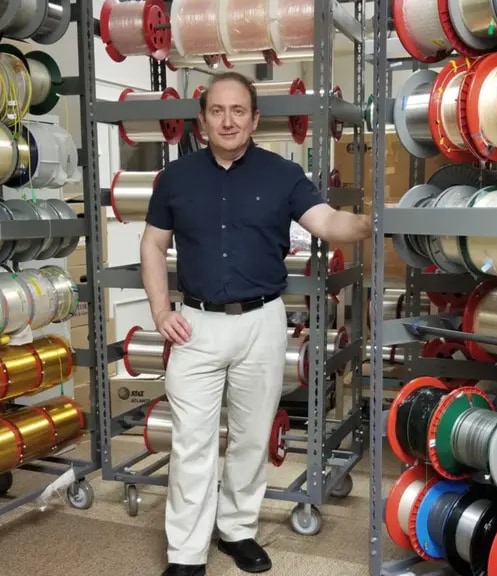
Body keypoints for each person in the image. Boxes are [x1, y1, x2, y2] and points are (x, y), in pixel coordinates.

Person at [139, 71, 371, 576]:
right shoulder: (174, 180)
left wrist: (367, 224)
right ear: (202, 121)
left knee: (249, 436)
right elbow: (153, 245)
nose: (228, 120)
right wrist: (160, 311)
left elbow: (327, 222)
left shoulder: (282, 175)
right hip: (195, 324)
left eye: (238, 111)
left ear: (254, 119)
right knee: (193, 442)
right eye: (217, 111)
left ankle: (237, 530)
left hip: (263, 322)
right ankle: (186, 554)